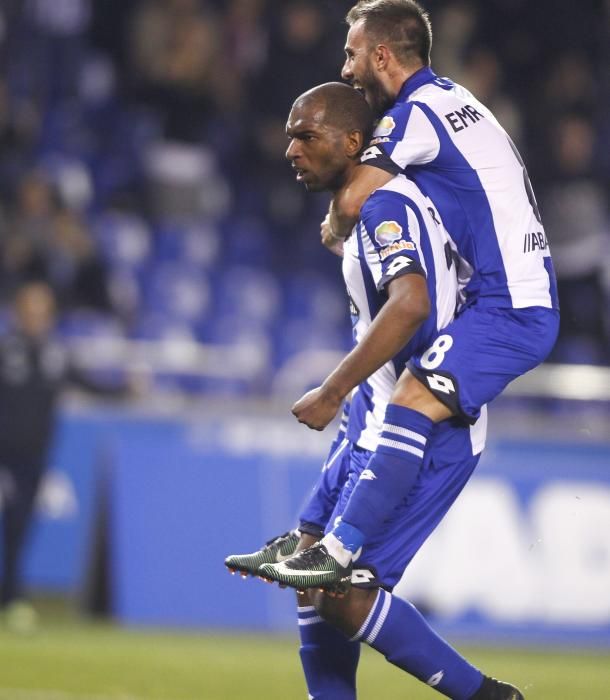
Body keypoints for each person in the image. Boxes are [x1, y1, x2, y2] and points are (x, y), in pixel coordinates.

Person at [228, 82, 523, 700]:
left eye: (306, 135)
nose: (291, 149)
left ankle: (488, 697)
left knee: (345, 594)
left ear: (353, 142)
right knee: (313, 584)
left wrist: (334, 388)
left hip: (425, 429)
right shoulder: (371, 209)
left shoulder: (386, 209)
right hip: (380, 418)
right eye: (288, 135)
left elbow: (410, 303)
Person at [263, 0, 559, 599]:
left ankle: (338, 548)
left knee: (412, 391)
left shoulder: (413, 114)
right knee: (406, 389)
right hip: (515, 293)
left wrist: (338, 222)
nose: (345, 69)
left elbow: (350, 205)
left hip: (512, 306)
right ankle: (322, 540)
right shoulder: (456, 99)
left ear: (380, 55)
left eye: (351, 54)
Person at [0, 281, 129, 631]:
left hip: (34, 457)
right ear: (19, 312)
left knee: (19, 528)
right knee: (9, 522)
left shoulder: (55, 354)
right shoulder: (5, 350)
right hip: (4, 456)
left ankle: (10, 597)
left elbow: (88, 383)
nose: (37, 317)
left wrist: (124, 388)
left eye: (43, 311)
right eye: (31, 310)